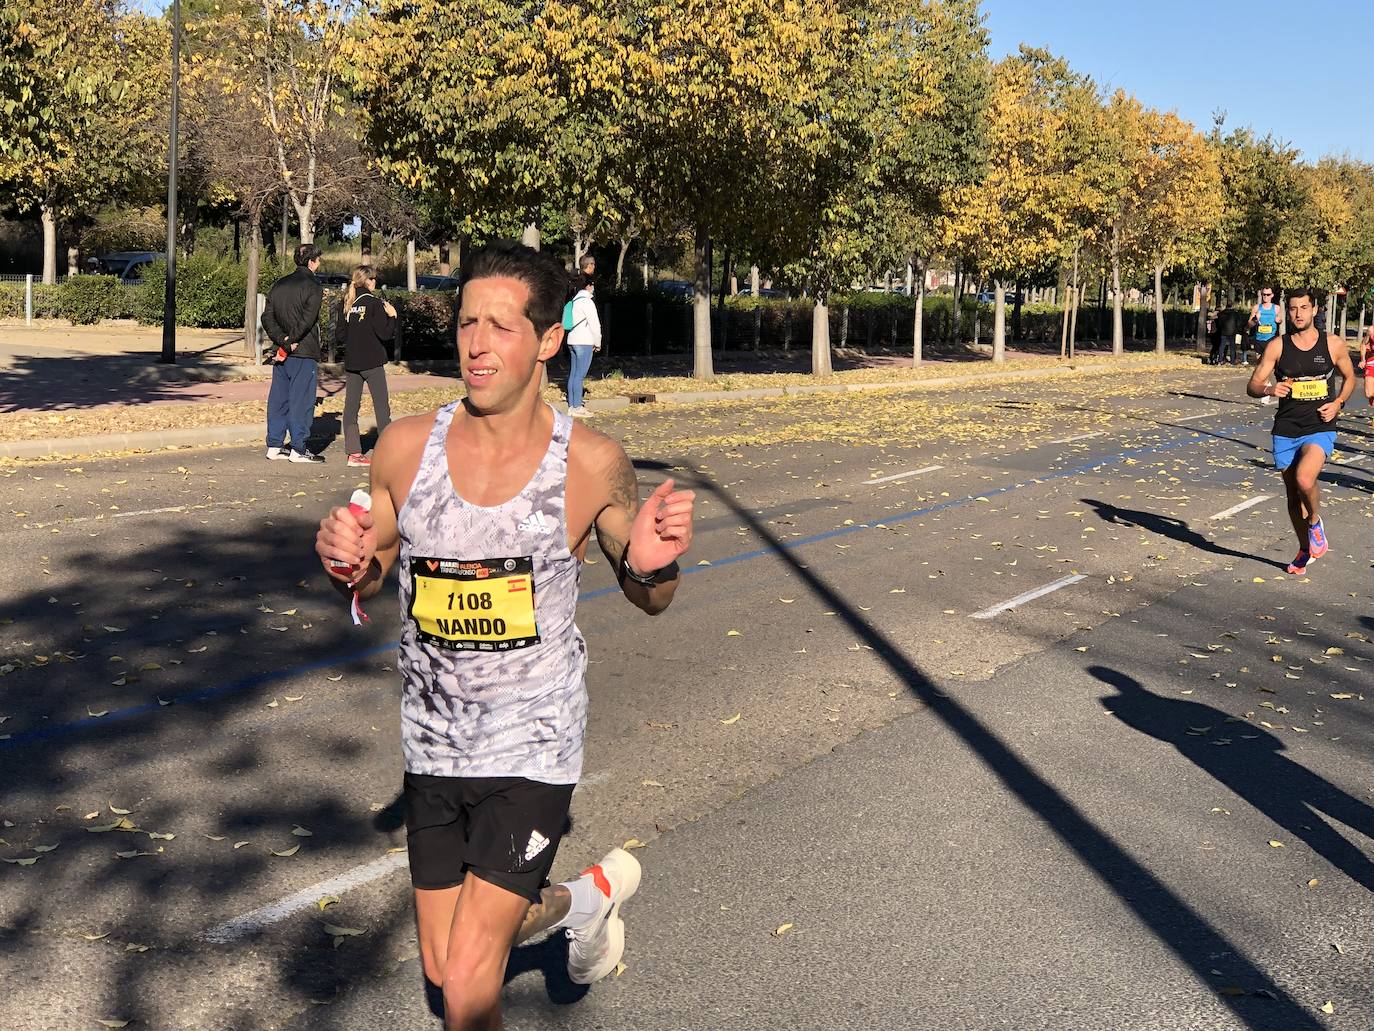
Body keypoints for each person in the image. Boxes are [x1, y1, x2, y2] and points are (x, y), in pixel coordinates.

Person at [314, 241, 696, 1031]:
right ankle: (582, 900)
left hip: (533, 743)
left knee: (465, 985)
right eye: (466, 324)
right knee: (438, 960)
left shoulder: (588, 462)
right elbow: (377, 559)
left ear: (549, 340)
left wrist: (653, 563)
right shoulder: (406, 446)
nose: (476, 344)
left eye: (501, 326)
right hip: (433, 741)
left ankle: (565, 903)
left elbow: (642, 581)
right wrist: (348, 560)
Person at [1246, 285, 1356, 575]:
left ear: (1314, 310)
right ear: (1288, 312)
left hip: (1319, 425)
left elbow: (1349, 377)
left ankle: (1316, 523)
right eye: (1293, 308)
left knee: (1305, 479)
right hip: (1286, 428)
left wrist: (1339, 403)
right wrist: (1271, 387)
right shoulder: (1278, 346)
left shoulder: (1332, 344)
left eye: (1304, 307)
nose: (1298, 313)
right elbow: (1253, 385)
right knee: (1293, 496)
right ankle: (1304, 548)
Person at [263, 244, 326, 463]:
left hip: (282, 352)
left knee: (279, 399)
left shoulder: (279, 284)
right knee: (301, 400)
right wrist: (291, 341)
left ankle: (274, 444)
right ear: (311, 261)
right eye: (318, 259)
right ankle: (299, 448)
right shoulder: (313, 286)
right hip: (303, 351)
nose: (319, 263)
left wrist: (282, 341)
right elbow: (307, 320)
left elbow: (267, 317)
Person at [336, 265, 398, 467]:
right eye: (375, 279)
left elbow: (340, 336)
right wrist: (393, 317)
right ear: (369, 281)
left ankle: (353, 453)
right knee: (381, 406)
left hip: (353, 362)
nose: (376, 282)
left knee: (351, 408)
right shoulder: (374, 303)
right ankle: (388, 450)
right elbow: (385, 334)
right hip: (372, 362)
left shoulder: (347, 303)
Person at [565, 273, 601, 417]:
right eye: (592, 285)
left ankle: (572, 405)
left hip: (572, 340)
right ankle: (578, 406)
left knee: (573, 374)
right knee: (580, 375)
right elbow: (594, 324)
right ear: (588, 286)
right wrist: (597, 342)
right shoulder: (587, 302)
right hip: (584, 341)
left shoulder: (574, 301)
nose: (593, 288)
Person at [1248, 287, 1283, 405]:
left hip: (1271, 340)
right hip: (1259, 340)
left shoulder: (1276, 308)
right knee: (1260, 365)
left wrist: (1279, 320)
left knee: (1267, 364)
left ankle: (1265, 388)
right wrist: (1255, 319)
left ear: (1272, 295)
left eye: (1268, 295)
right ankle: (1266, 383)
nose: (1265, 297)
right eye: (1263, 295)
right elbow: (1249, 324)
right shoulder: (1257, 308)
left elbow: (1280, 319)